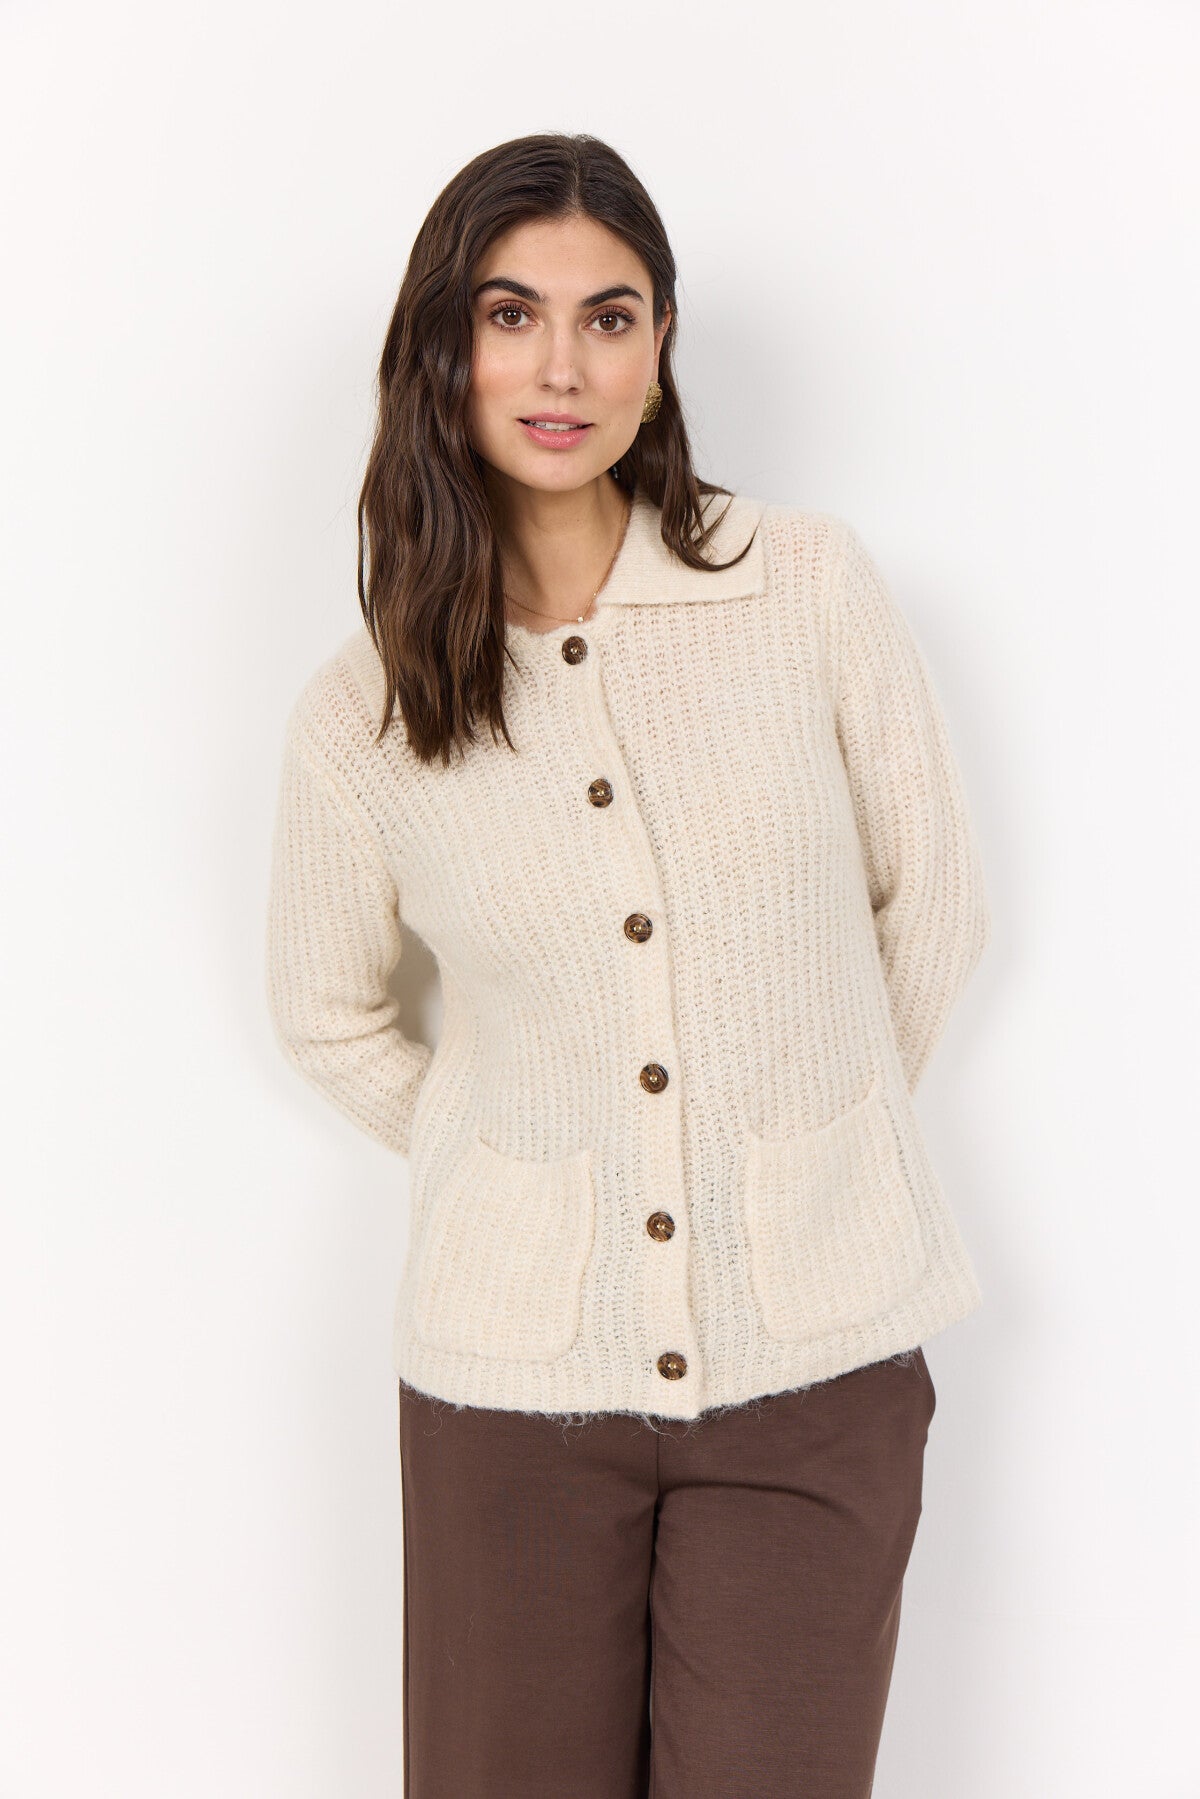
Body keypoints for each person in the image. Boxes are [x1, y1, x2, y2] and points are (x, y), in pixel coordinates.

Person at [265, 131, 992, 1799]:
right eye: (511, 315)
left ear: (660, 350)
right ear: (442, 347)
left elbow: (934, 905)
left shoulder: (801, 588)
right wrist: (524, 1170)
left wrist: (792, 1158)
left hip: (818, 1369)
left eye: (610, 317)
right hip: (508, 1393)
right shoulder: (366, 711)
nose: (562, 367)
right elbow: (326, 1012)